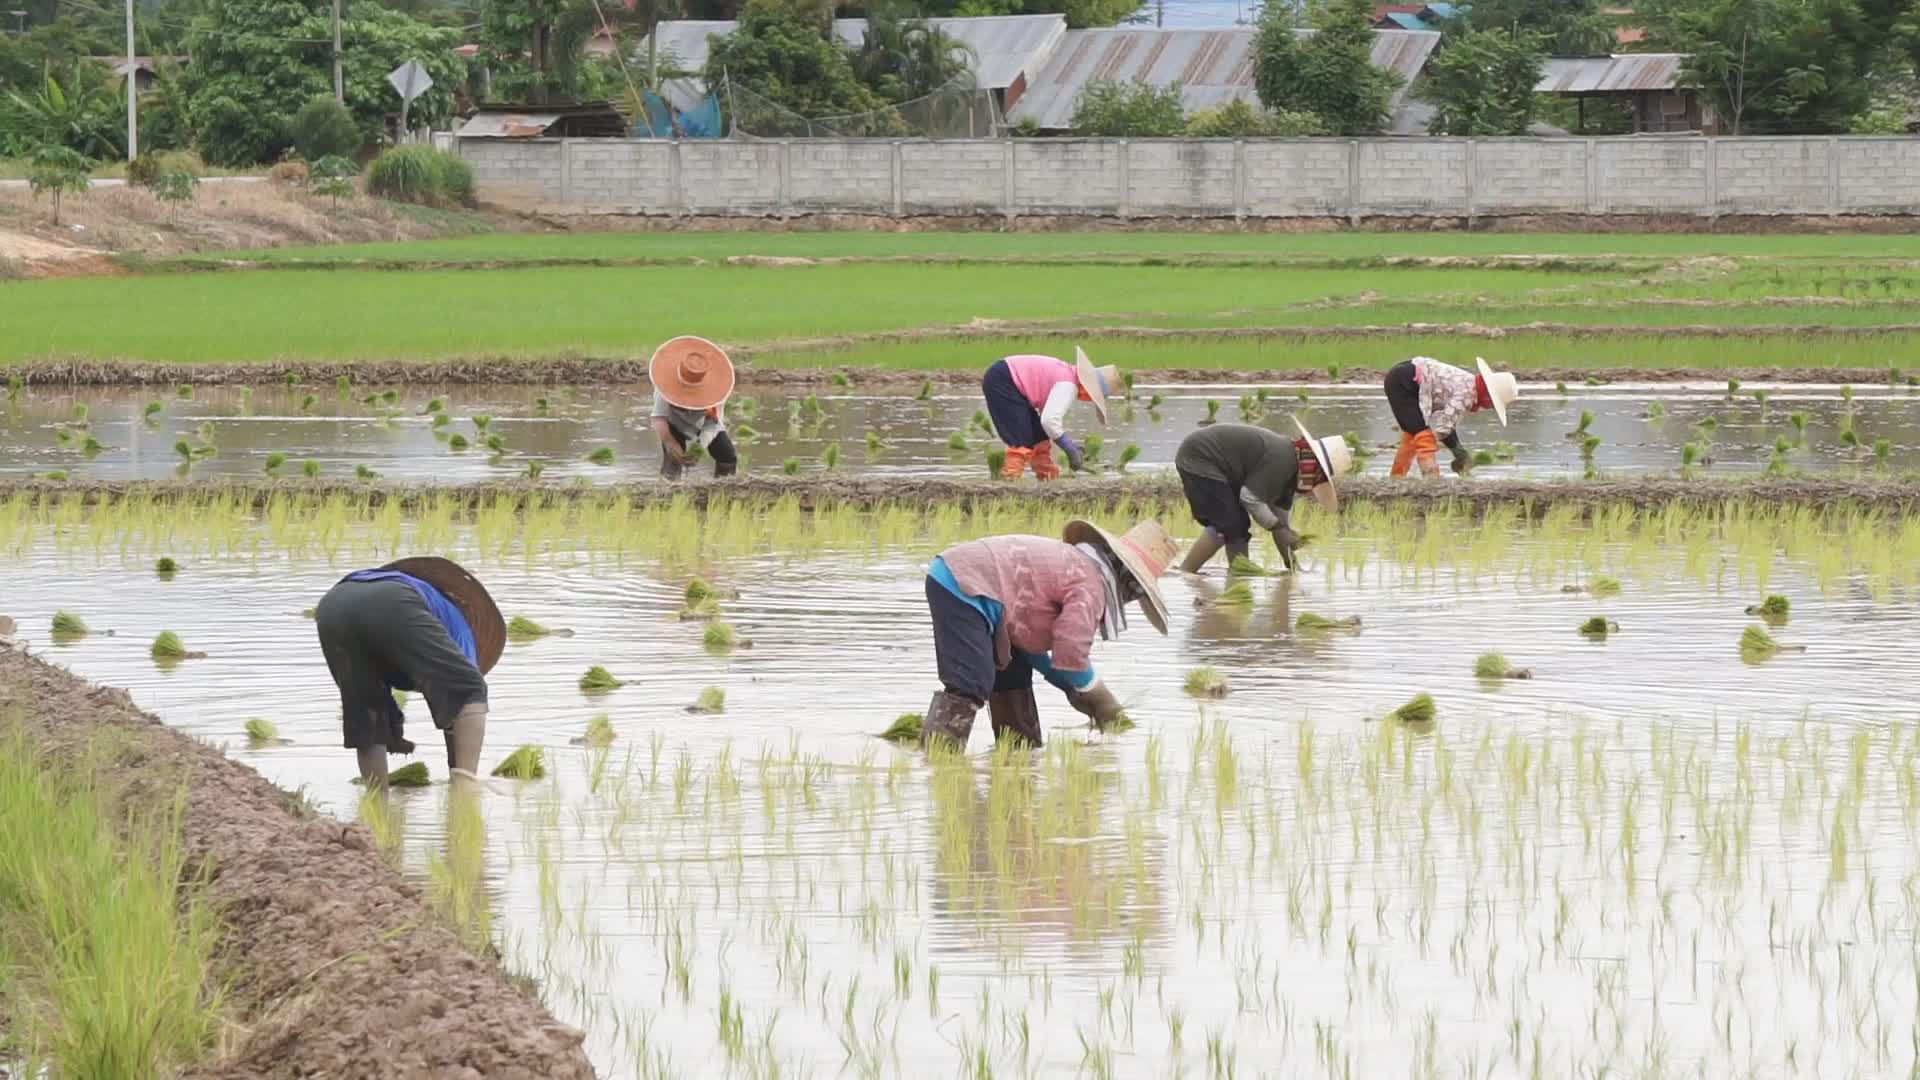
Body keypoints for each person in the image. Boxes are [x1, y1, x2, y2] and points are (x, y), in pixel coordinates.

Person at [921, 519, 1176, 750]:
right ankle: (939, 763)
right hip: (963, 584)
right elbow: (1070, 649)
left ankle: (1019, 757)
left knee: (1013, 673)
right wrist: (1099, 696)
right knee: (970, 683)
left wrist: (1070, 688)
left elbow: (1032, 650)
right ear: (1128, 582)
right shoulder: (1090, 585)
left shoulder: (1079, 566)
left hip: (974, 585)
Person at [314, 556, 505, 788]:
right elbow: (462, 701)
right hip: (394, 601)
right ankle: (465, 796)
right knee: (471, 687)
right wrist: (459, 775)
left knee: (366, 706)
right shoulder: (460, 626)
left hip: (333, 604)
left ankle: (375, 805)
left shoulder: (423, 595)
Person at [1175, 418, 1352, 574]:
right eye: (1317, 477)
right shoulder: (1283, 460)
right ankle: (1186, 573)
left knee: (1236, 526)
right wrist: (1277, 526)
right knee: (1229, 523)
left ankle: (1239, 573)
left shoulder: (1290, 474)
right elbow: (1249, 498)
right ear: (1313, 465)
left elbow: (1280, 522)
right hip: (1200, 457)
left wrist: (1292, 565)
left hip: (1220, 466)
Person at [982, 348, 1120, 480]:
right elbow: (1049, 421)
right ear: (1089, 390)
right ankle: (1009, 481)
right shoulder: (1068, 385)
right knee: (1021, 439)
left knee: (1039, 438)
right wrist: (1069, 448)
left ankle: (1048, 479)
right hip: (1004, 380)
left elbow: (1046, 420)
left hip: (1008, 379)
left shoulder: (1067, 374)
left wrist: (1070, 445)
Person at [1384, 357, 1518, 477]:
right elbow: (1443, 428)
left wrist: (1458, 451)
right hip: (1405, 383)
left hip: (1403, 376)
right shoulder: (1467, 395)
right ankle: (1432, 482)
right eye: (1492, 404)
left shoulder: (1468, 383)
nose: (1488, 407)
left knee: (1413, 434)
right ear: (1488, 397)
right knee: (1424, 438)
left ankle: (1397, 478)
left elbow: (1447, 424)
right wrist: (1459, 453)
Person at [650, 335, 737, 480]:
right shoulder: (665, 385)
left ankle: (723, 492)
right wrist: (672, 444)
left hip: (702, 422)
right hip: (674, 422)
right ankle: (668, 493)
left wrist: (699, 449)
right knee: (673, 459)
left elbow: (713, 425)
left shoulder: (717, 390)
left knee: (727, 456)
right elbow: (659, 419)